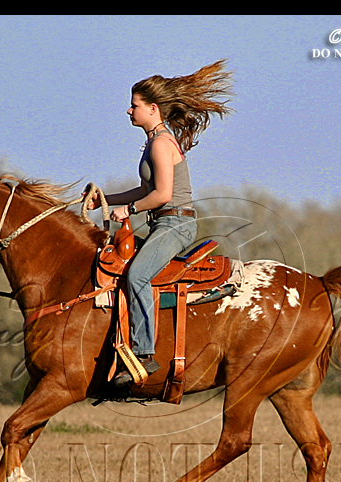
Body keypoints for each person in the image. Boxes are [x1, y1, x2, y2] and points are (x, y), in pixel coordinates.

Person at [86, 59, 234, 386]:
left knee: (138, 274)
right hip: (163, 223)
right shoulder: (154, 141)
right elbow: (144, 189)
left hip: (175, 224)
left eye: (134, 105)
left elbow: (163, 194)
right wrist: (107, 200)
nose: (128, 111)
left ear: (152, 109)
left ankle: (143, 354)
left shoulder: (162, 143)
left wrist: (130, 210)